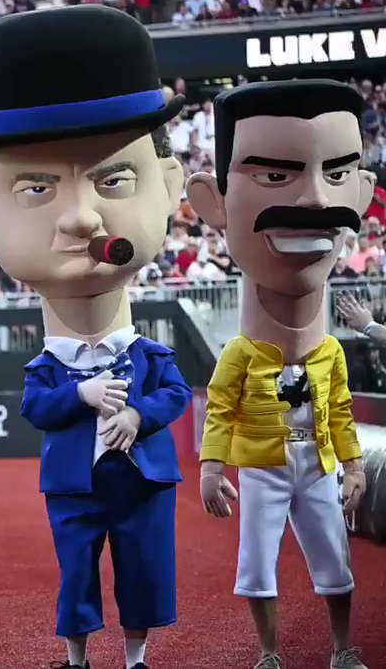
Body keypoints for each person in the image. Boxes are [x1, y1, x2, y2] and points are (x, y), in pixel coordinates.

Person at [0, 6, 191, 669]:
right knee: (76, 573)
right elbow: (39, 408)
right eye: (36, 186)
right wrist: (84, 394)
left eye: (114, 178)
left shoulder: (150, 355)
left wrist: (138, 411)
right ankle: (78, 658)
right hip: (74, 481)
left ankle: (135, 657)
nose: (81, 215)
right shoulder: (48, 368)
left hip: (142, 476)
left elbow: (173, 395)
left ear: (170, 188)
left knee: (145, 569)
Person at [187, 79, 376, 669]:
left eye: (338, 175)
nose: (316, 199)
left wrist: (351, 467)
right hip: (263, 466)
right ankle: (269, 654)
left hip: (316, 463)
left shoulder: (329, 356)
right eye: (274, 175)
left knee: (336, 563)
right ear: (214, 202)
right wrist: (212, 467)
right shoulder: (241, 354)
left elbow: (340, 411)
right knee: (256, 566)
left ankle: (343, 648)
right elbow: (220, 408)